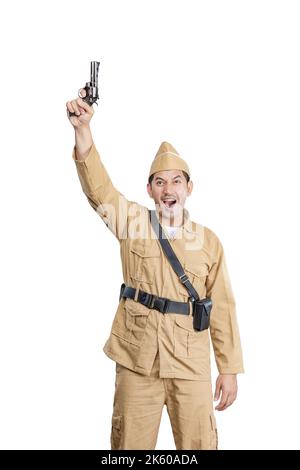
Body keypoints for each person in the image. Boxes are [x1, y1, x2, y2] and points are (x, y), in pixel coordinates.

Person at [66, 92, 244, 450]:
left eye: (176, 181)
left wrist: (229, 368)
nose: (168, 189)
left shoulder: (208, 242)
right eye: (159, 182)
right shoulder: (131, 222)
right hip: (137, 357)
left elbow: (222, 306)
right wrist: (83, 129)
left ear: (189, 188)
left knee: (198, 446)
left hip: (190, 362)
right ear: (149, 190)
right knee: (129, 448)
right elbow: (99, 189)